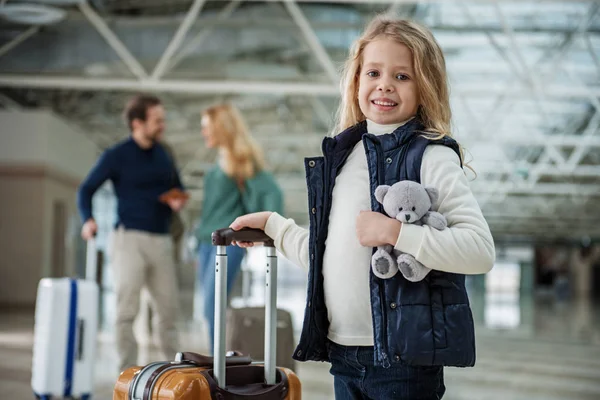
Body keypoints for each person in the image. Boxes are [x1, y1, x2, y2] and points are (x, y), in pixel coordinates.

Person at [229, 16, 495, 399]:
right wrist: (276, 228)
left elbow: (480, 251)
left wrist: (395, 233)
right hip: (344, 356)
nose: (385, 84)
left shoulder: (431, 156)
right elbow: (330, 256)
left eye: (402, 76)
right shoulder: (342, 157)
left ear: (425, 88)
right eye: (373, 72)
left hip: (403, 363)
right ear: (355, 82)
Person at [77, 94, 187, 373]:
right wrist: (88, 219)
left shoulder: (165, 153)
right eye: (157, 120)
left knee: (168, 312)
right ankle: (126, 373)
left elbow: (178, 186)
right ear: (138, 123)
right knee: (126, 312)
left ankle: (175, 375)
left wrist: (177, 199)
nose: (163, 125)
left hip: (162, 239)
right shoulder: (116, 155)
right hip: (129, 240)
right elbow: (86, 189)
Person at [194, 103, 284, 353]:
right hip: (205, 241)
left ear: (222, 128)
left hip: (228, 242)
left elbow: (272, 192)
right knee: (209, 306)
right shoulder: (218, 162)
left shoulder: (242, 161)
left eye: (207, 128)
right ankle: (218, 358)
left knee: (212, 304)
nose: (203, 133)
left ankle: (217, 364)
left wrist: (268, 230)